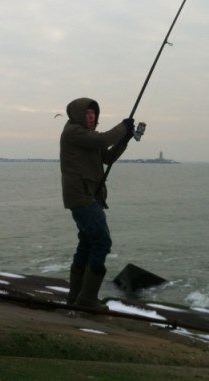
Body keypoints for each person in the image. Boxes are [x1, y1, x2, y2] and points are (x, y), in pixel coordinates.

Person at [59, 97, 134, 308]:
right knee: (102, 242)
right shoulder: (73, 131)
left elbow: (107, 157)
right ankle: (87, 299)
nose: (92, 117)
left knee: (87, 243)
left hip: (89, 195)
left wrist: (125, 138)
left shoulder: (88, 137)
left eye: (94, 114)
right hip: (81, 196)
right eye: (88, 114)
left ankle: (76, 297)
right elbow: (103, 140)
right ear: (78, 115)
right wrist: (123, 126)